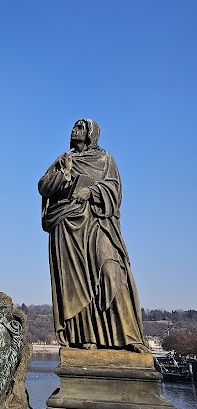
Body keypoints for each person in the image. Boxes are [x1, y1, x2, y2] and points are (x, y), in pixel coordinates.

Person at [38, 120, 148, 352]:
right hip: (67, 226)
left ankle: (129, 336)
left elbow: (114, 189)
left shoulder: (105, 159)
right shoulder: (63, 159)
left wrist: (92, 191)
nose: (74, 130)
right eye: (74, 127)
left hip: (97, 222)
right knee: (77, 284)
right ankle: (86, 337)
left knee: (111, 269)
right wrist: (64, 173)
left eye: (80, 127)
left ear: (90, 133)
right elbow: (43, 187)